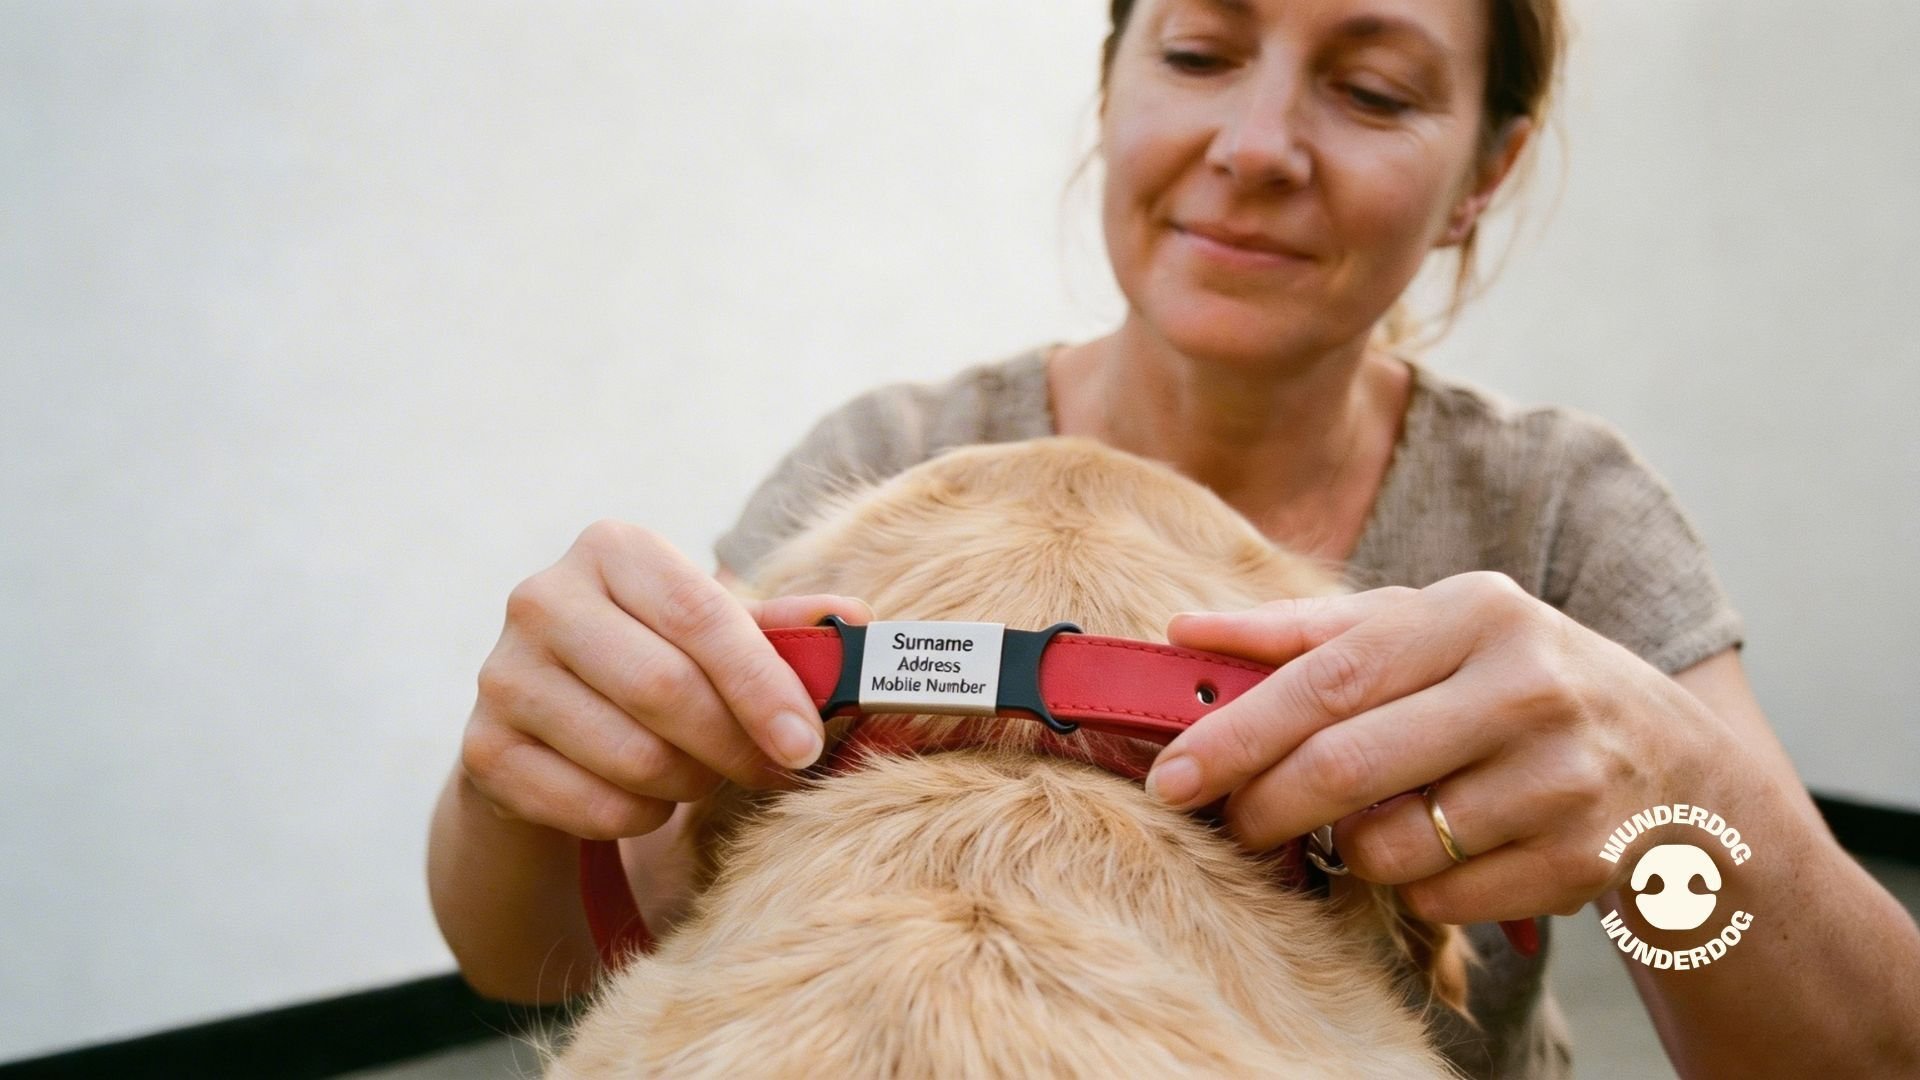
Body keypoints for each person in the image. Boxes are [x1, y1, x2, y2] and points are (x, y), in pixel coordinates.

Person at [428, 0, 1920, 1076]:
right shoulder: (879, 470)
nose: (1256, 146)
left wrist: (1676, 816)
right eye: (1200, 53)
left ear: (1487, 171)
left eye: (1377, 89)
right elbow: (546, 960)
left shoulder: (1561, 518)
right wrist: (513, 788)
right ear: (1110, 86)